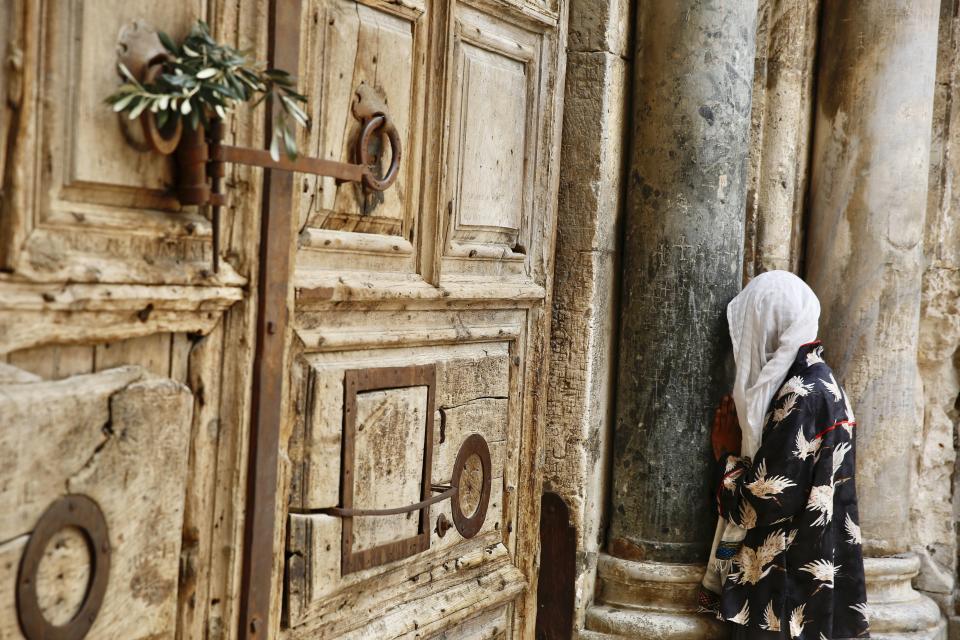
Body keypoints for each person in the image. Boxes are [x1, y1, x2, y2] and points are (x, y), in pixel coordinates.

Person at [698, 270, 869, 639]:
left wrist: (727, 456)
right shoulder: (821, 382)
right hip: (808, 578)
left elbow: (764, 500)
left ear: (769, 324)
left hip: (787, 588)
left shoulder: (801, 394)